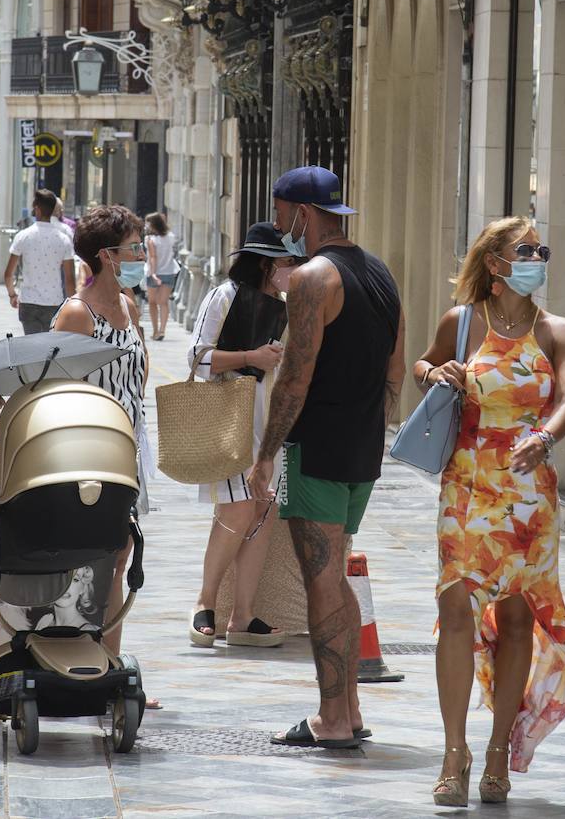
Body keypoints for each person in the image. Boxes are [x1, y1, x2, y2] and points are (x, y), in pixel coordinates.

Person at [413, 217, 565, 806]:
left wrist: (547, 437)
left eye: (543, 249)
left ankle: (496, 750)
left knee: (515, 621)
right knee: (456, 608)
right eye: (526, 250)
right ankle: (452, 751)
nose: (538, 257)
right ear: (495, 262)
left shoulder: (557, 329)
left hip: (529, 491)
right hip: (466, 484)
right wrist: (436, 372)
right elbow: (423, 365)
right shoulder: (461, 323)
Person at [248, 166, 405, 751]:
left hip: (316, 447)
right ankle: (350, 709)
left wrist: (265, 455)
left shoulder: (314, 278)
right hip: (362, 448)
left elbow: (294, 377)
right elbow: (395, 370)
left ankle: (331, 718)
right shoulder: (380, 273)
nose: (279, 224)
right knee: (334, 576)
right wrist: (368, 430)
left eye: (282, 211)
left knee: (321, 583)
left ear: (303, 215)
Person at [53, 205, 159, 708]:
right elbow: (55, 385)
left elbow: (140, 374)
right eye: (134, 248)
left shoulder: (128, 304)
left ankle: (109, 667)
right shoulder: (77, 313)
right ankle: (78, 660)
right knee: (88, 557)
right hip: (87, 448)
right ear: (107, 256)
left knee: (118, 557)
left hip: (127, 447)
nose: (141, 256)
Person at [187, 222, 295, 650]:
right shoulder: (224, 296)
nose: (290, 269)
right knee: (236, 509)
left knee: (262, 511)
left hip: (267, 419)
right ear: (267, 264)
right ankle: (205, 603)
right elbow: (197, 356)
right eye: (285, 262)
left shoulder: (282, 303)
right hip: (229, 415)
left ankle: (243, 615)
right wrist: (253, 356)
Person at [4, 188, 76, 335]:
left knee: (32, 347)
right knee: (50, 349)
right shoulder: (64, 240)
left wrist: (12, 294)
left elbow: (8, 274)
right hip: (54, 302)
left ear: (37, 209)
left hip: (29, 301)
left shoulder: (23, 236)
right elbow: (69, 279)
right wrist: (72, 305)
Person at [144, 212, 179, 341]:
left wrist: (153, 274)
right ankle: (162, 330)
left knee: (152, 303)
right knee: (163, 302)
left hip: (154, 273)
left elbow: (153, 257)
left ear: (153, 224)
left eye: (148, 223)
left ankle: (155, 331)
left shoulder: (150, 239)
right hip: (169, 271)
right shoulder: (171, 237)